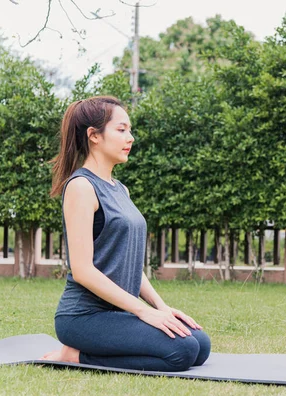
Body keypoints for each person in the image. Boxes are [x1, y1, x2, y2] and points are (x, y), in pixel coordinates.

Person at [42, 96, 210, 371]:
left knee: (200, 345)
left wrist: (160, 307)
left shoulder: (120, 189)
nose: (129, 137)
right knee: (182, 351)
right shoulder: (82, 186)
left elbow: (129, 262)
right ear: (94, 136)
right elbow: (82, 270)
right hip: (84, 316)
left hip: (117, 313)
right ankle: (76, 355)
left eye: (129, 130)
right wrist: (142, 311)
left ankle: (91, 349)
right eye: (121, 130)